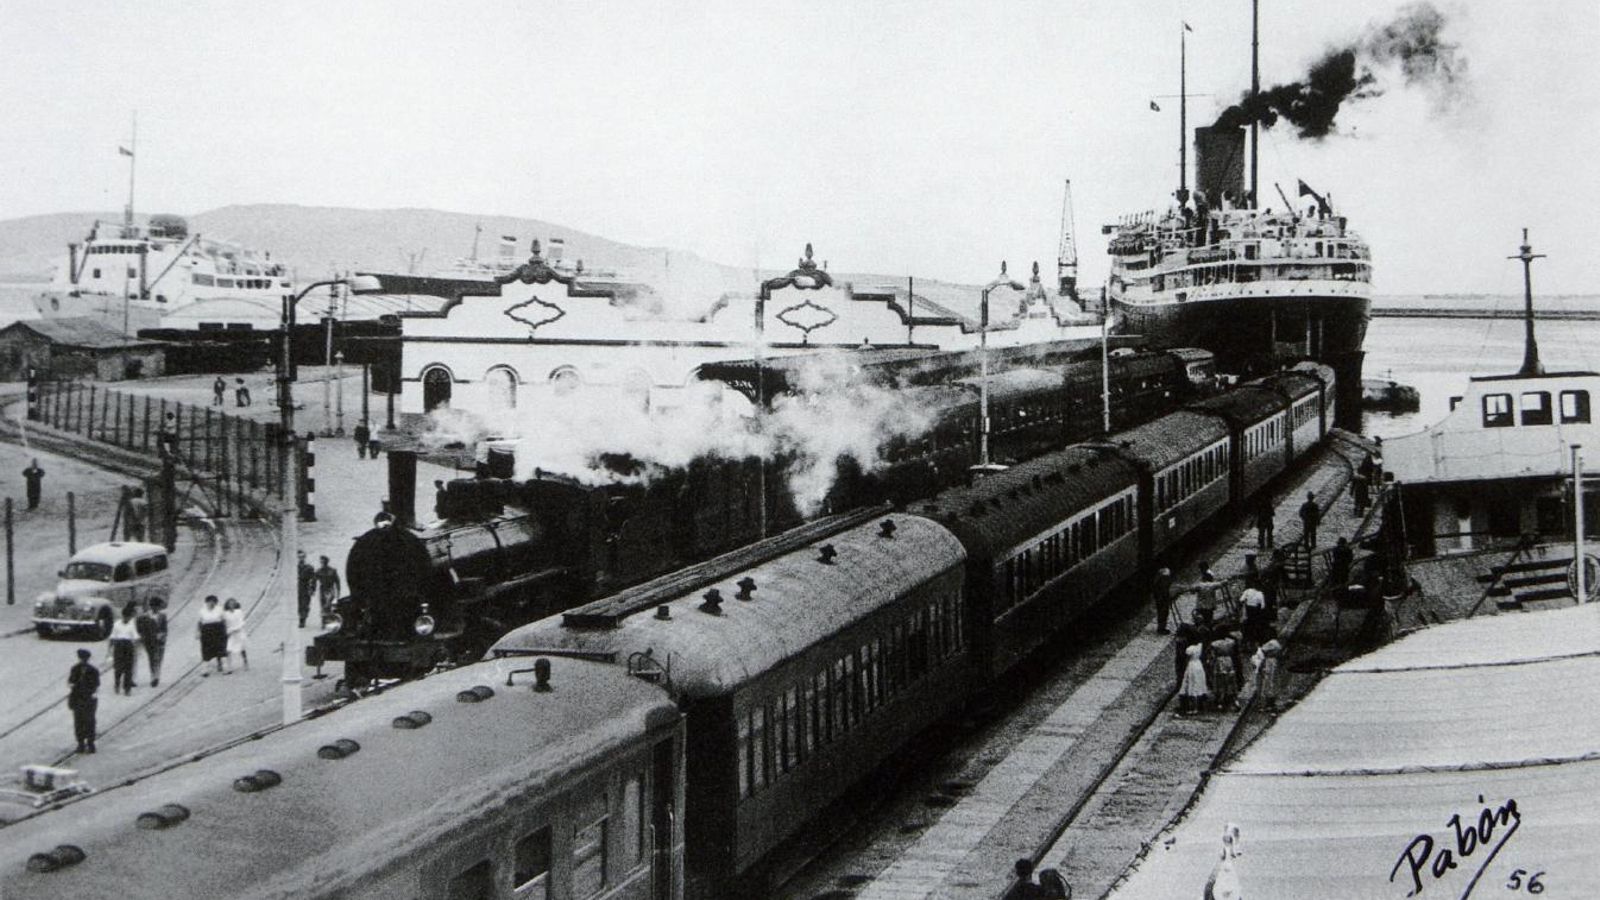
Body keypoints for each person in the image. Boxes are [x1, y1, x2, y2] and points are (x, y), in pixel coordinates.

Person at [68, 648, 99, 754]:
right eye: (82, 658)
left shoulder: (93, 670)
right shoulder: (75, 669)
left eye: (84, 658)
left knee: (89, 721)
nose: (83, 660)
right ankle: (81, 743)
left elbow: (96, 684)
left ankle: (90, 743)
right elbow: (70, 682)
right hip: (78, 698)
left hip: (88, 699)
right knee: (79, 722)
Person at [107, 602, 140, 695]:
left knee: (128, 668)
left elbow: (135, 637)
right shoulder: (117, 624)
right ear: (123, 616)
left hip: (128, 646)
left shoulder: (131, 624)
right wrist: (109, 649)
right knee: (118, 668)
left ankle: (127, 688)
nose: (126, 618)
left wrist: (135, 648)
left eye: (128, 617)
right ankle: (117, 684)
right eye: (125, 616)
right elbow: (112, 637)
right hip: (119, 646)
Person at [136, 598, 169, 688]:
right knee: (152, 658)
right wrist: (143, 638)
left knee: (159, 658)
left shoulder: (163, 616)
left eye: (157, 607)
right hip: (149, 641)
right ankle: (153, 676)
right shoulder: (145, 616)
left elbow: (165, 629)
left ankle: (157, 675)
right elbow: (141, 629)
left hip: (160, 641)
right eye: (154, 607)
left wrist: (162, 635)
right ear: (151, 607)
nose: (156, 608)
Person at [197, 595, 228, 675]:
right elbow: (200, 622)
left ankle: (225, 668)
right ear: (206, 602)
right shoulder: (202, 611)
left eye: (213, 602)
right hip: (206, 631)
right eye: (209, 602)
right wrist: (198, 632)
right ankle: (205, 670)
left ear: (215, 603)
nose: (211, 603)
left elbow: (224, 621)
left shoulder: (220, 609)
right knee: (206, 650)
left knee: (221, 648)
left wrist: (226, 631)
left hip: (218, 630)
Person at [1210, 630, 1240, 711]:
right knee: (1230, 680)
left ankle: (1220, 700)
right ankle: (1232, 698)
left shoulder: (1215, 644)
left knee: (1219, 680)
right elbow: (1234, 653)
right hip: (1229, 660)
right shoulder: (1231, 642)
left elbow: (1213, 655)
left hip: (1219, 661)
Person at [1254, 631, 1284, 711]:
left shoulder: (1271, 643)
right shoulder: (1276, 643)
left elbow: (1262, 651)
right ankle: (1271, 702)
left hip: (1269, 663)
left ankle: (1265, 703)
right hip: (1274, 662)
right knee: (1272, 681)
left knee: (1267, 682)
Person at [1179, 639, 1209, 715]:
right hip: (1199, 665)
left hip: (1192, 666)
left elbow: (1187, 659)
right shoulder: (1200, 646)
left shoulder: (1190, 649)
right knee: (1199, 684)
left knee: (1192, 686)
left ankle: (1193, 707)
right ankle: (1201, 705)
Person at [1240, 580, 1270, 647]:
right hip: (1256, 613)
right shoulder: (1260, 594)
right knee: (1258, 626)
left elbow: (1241, 600)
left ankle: (1247, 642)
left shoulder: (1247, 591)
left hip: (1248, 612)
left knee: (1247, 627)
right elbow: (1263, 606)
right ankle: (1259, 641)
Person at [1192, 562, 1221, 628]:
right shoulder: (1211, 582)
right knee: (1209, 614)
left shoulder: (1201, 583)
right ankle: (1208, 626)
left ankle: (1204, 626)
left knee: (1203, 615)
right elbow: (1219, 584)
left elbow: (1193, 590)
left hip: (1202, 603)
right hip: (1209, 601)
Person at [223, 597, 248, 672]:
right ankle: (229, 667)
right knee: (228, 650)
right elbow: (226, 624)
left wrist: (235, 629)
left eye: (233, 603)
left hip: (239, 633)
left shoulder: (239, 612)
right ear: (227, 605)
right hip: (231, 634)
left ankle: (245, 663)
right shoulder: (225, 614)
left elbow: (242, 622)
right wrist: (228, 631)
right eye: (230, 604)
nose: (231, 605)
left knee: (242, 649)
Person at [315, 556, 342, 621]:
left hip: (330, 589)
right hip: (322, 589)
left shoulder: (332, 571)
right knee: (322, 603)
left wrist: (338, 591)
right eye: (321, 562)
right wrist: (312, 589)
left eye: (323, 562)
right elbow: (314, 580)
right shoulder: (318, 571)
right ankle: (324, 620)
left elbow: (337, 581)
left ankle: (328, 618)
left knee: (328, 604)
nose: (322, 563)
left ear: (326, 562)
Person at [1151, 567, 1174, 634]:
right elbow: (1164, 590)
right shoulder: (1162, 582)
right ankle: (1161, 628)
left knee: (1163, 612)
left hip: (1160, 597)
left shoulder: (1158, 582)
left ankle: (1161, 627)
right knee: (1163, 612)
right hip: (1161, 598)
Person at [297, 550, 315, 628]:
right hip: (298, 587)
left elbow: (313, 579)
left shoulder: (309, 568)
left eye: (302, 557)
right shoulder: (296, 567)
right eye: (299, 557)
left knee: (305, 604)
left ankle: (302, 620)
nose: (301, 558)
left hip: (305, 587)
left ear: (304, 557)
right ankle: (301, 618)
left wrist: (312, 588)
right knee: (300, 604)